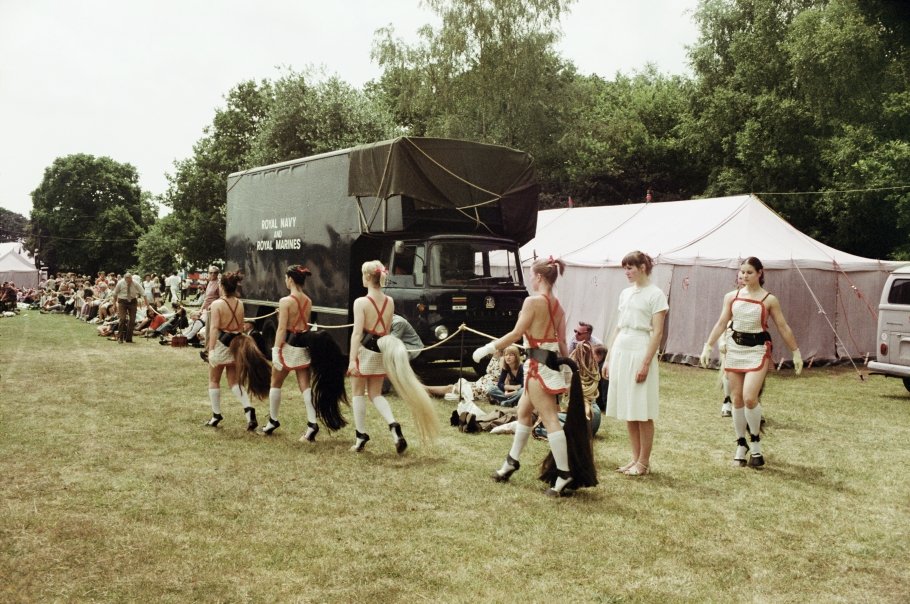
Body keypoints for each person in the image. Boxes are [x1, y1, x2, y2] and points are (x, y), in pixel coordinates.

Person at [473, 256, 597, 497]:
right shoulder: (558, 305)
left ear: (539, 277)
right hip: (549, 364)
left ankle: (563, 473)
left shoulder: (532, 302)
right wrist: (565, 368)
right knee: (523, 413)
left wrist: (489, 348)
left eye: (532, 274)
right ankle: (510, 462)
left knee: (550, 419)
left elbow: (517, 333)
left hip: (537, 367)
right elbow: (561, 341)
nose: (531, 278)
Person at [700, 256, 802, 467]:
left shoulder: (769, 300)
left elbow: (783, 326)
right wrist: (708, 345)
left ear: (760, 273)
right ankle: (741, 443)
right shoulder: (732, 296)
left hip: (757, 350)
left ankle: (755, 442)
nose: (744, 276)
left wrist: (796, 351)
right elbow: (722, 322)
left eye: (749, 272)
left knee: (749, 398)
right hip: (735, 348)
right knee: (736, 399)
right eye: (742, 272)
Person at [347, 260, 438, 454]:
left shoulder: (361, 302)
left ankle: (360, 435)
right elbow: (387, 329)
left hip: (365, 350)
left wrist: (352, 359)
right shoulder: (389, 301)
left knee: (357, 393)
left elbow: (356, 334)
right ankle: (393, 425)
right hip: (382, 350)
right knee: (375, 394)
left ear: (368, 277)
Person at [602, 251, 669, 477]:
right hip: (622, 347)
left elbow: (658, 332)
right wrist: (609, 357)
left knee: (642, 409)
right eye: (625, 268)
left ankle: (644, 462)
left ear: (642, 267)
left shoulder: (656, 294)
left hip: (641, 347)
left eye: (630, 267)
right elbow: (619, 327)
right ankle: (634, 458)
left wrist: (646, 363)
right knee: (629, 408)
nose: (627, 272)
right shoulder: (625, 293)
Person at [262, 265, 347, 441]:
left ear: (290, 279)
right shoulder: (308, 300)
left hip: (289, 344)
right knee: (305, 386)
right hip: (303, 344)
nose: (285, 281)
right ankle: (312, 423)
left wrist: (276, 351)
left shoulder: (285, 301)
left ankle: (273, 420)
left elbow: (281, 329)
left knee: (275, 383)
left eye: (286, 278)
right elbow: (303, 323)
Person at [203, 271, 270, 430]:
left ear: (222, 286)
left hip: (220, 344)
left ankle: (216, 415)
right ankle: (248, 410)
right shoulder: (239, 303)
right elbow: (240, 327)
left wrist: (211, 350)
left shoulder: (217, 304)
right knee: (234, 381)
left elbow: (214, 329)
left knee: (214, 380)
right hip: (235, 344)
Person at [111, 272, 144, 343]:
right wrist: (114, 304)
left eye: (130, 279)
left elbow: (143, 293)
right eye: (128, 280)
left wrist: (147, 305)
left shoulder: (135, 283)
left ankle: (129, 338)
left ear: (131, 278)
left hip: (132, 301)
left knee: (132, 320)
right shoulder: (120, 283)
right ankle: (120, 338)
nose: (129, 281)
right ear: (125, 278)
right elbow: (115, 294)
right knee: (122, 319)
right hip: (122, 301)